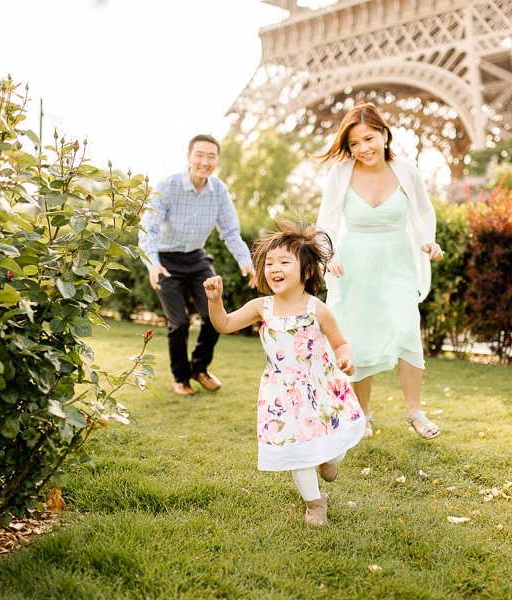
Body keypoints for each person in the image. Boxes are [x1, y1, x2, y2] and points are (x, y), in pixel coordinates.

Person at [203, 219, 365, 526]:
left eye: (284, 262)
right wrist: (215, 301)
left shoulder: (317, 309)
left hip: (320, 386)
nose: (274, 267)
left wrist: (346, 360)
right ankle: (315, 503)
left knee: (332, 442)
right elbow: (223, 324)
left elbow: (340, 343)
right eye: (269, 262)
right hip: (283, 393)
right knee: (296, 448)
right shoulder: (261, 307)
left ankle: (331, 458)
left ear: (305, 271)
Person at [316, 102, 444, 440]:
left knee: (406, 327)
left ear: (385, 134)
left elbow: (424, 213)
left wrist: (429, 241)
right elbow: (325, 223)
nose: (363, 149)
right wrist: (327, 257)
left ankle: (414, 411)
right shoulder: (340, 173)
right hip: (353, 262)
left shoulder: (407, 170)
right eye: (354, 144)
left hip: (396, 258)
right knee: (358, 337)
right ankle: (364, 414)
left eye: (369, 139)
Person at [139, 134, 256, 396]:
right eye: (200, 155)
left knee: (215, 317)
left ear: (217, 160)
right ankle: (180, 377)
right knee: (178, 322)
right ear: (189, 156)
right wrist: (153, 264)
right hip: (166, 260)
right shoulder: (168, 186)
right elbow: (148, 230)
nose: (205, 161)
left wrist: (245, 260)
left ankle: (198, 368)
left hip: (196, 259)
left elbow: (230, 231)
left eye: (211, 156)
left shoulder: (219, 191)